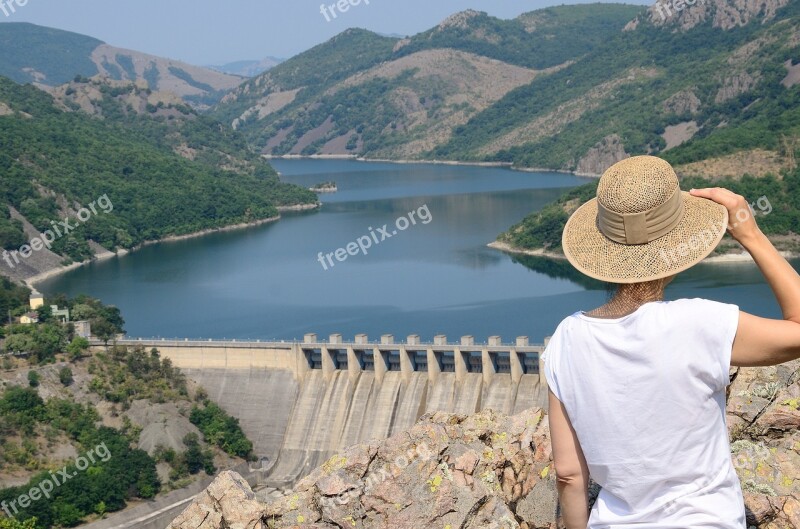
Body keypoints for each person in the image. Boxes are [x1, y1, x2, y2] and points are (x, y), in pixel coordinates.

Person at [541, 155, 800, 528]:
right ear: (681, 244)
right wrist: (750, 233)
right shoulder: (700, 322)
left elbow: (568, 473)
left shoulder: (567, 337)